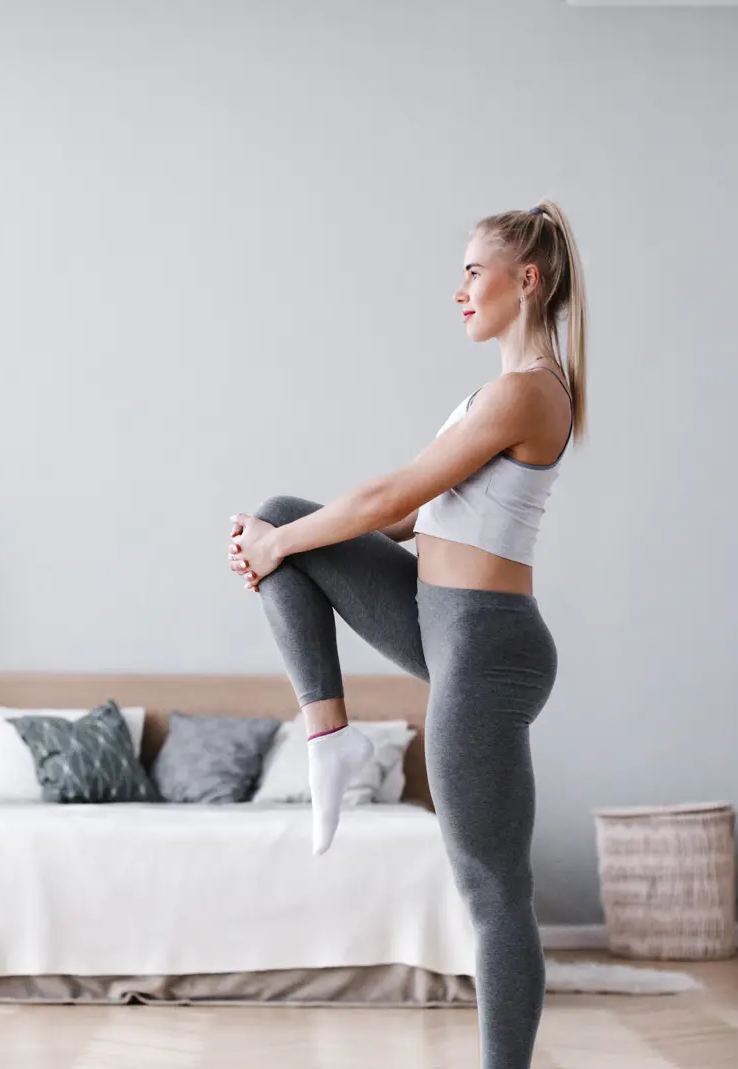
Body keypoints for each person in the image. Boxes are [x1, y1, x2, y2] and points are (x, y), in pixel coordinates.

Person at [226, 200, 585, 1069]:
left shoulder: (530, 392)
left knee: (493, 890)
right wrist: (277, 543)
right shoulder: (485, 395)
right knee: (278, 518)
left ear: (525, 280)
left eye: (473, 270)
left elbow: (391, 499)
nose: (459, 288)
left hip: (489, 646)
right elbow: (413, 519)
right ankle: (330, 738)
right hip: (439, 617)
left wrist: (289, 544)